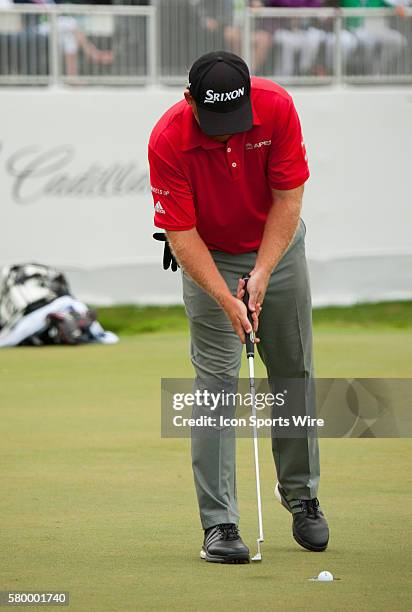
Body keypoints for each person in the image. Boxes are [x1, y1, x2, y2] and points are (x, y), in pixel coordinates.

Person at [148, 51, 329, 564]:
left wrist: (265, 272)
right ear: (190, 101)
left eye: (236, 121)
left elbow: (288, 200)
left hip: (279, 245)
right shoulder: (167, 138)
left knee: (293, 370)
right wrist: (227, 297)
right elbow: (180, 232)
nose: (227, 135)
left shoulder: (277, 107)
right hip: (209, 252)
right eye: (215, 123)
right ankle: (219, 524)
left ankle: (301, 495)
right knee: (215, 385)